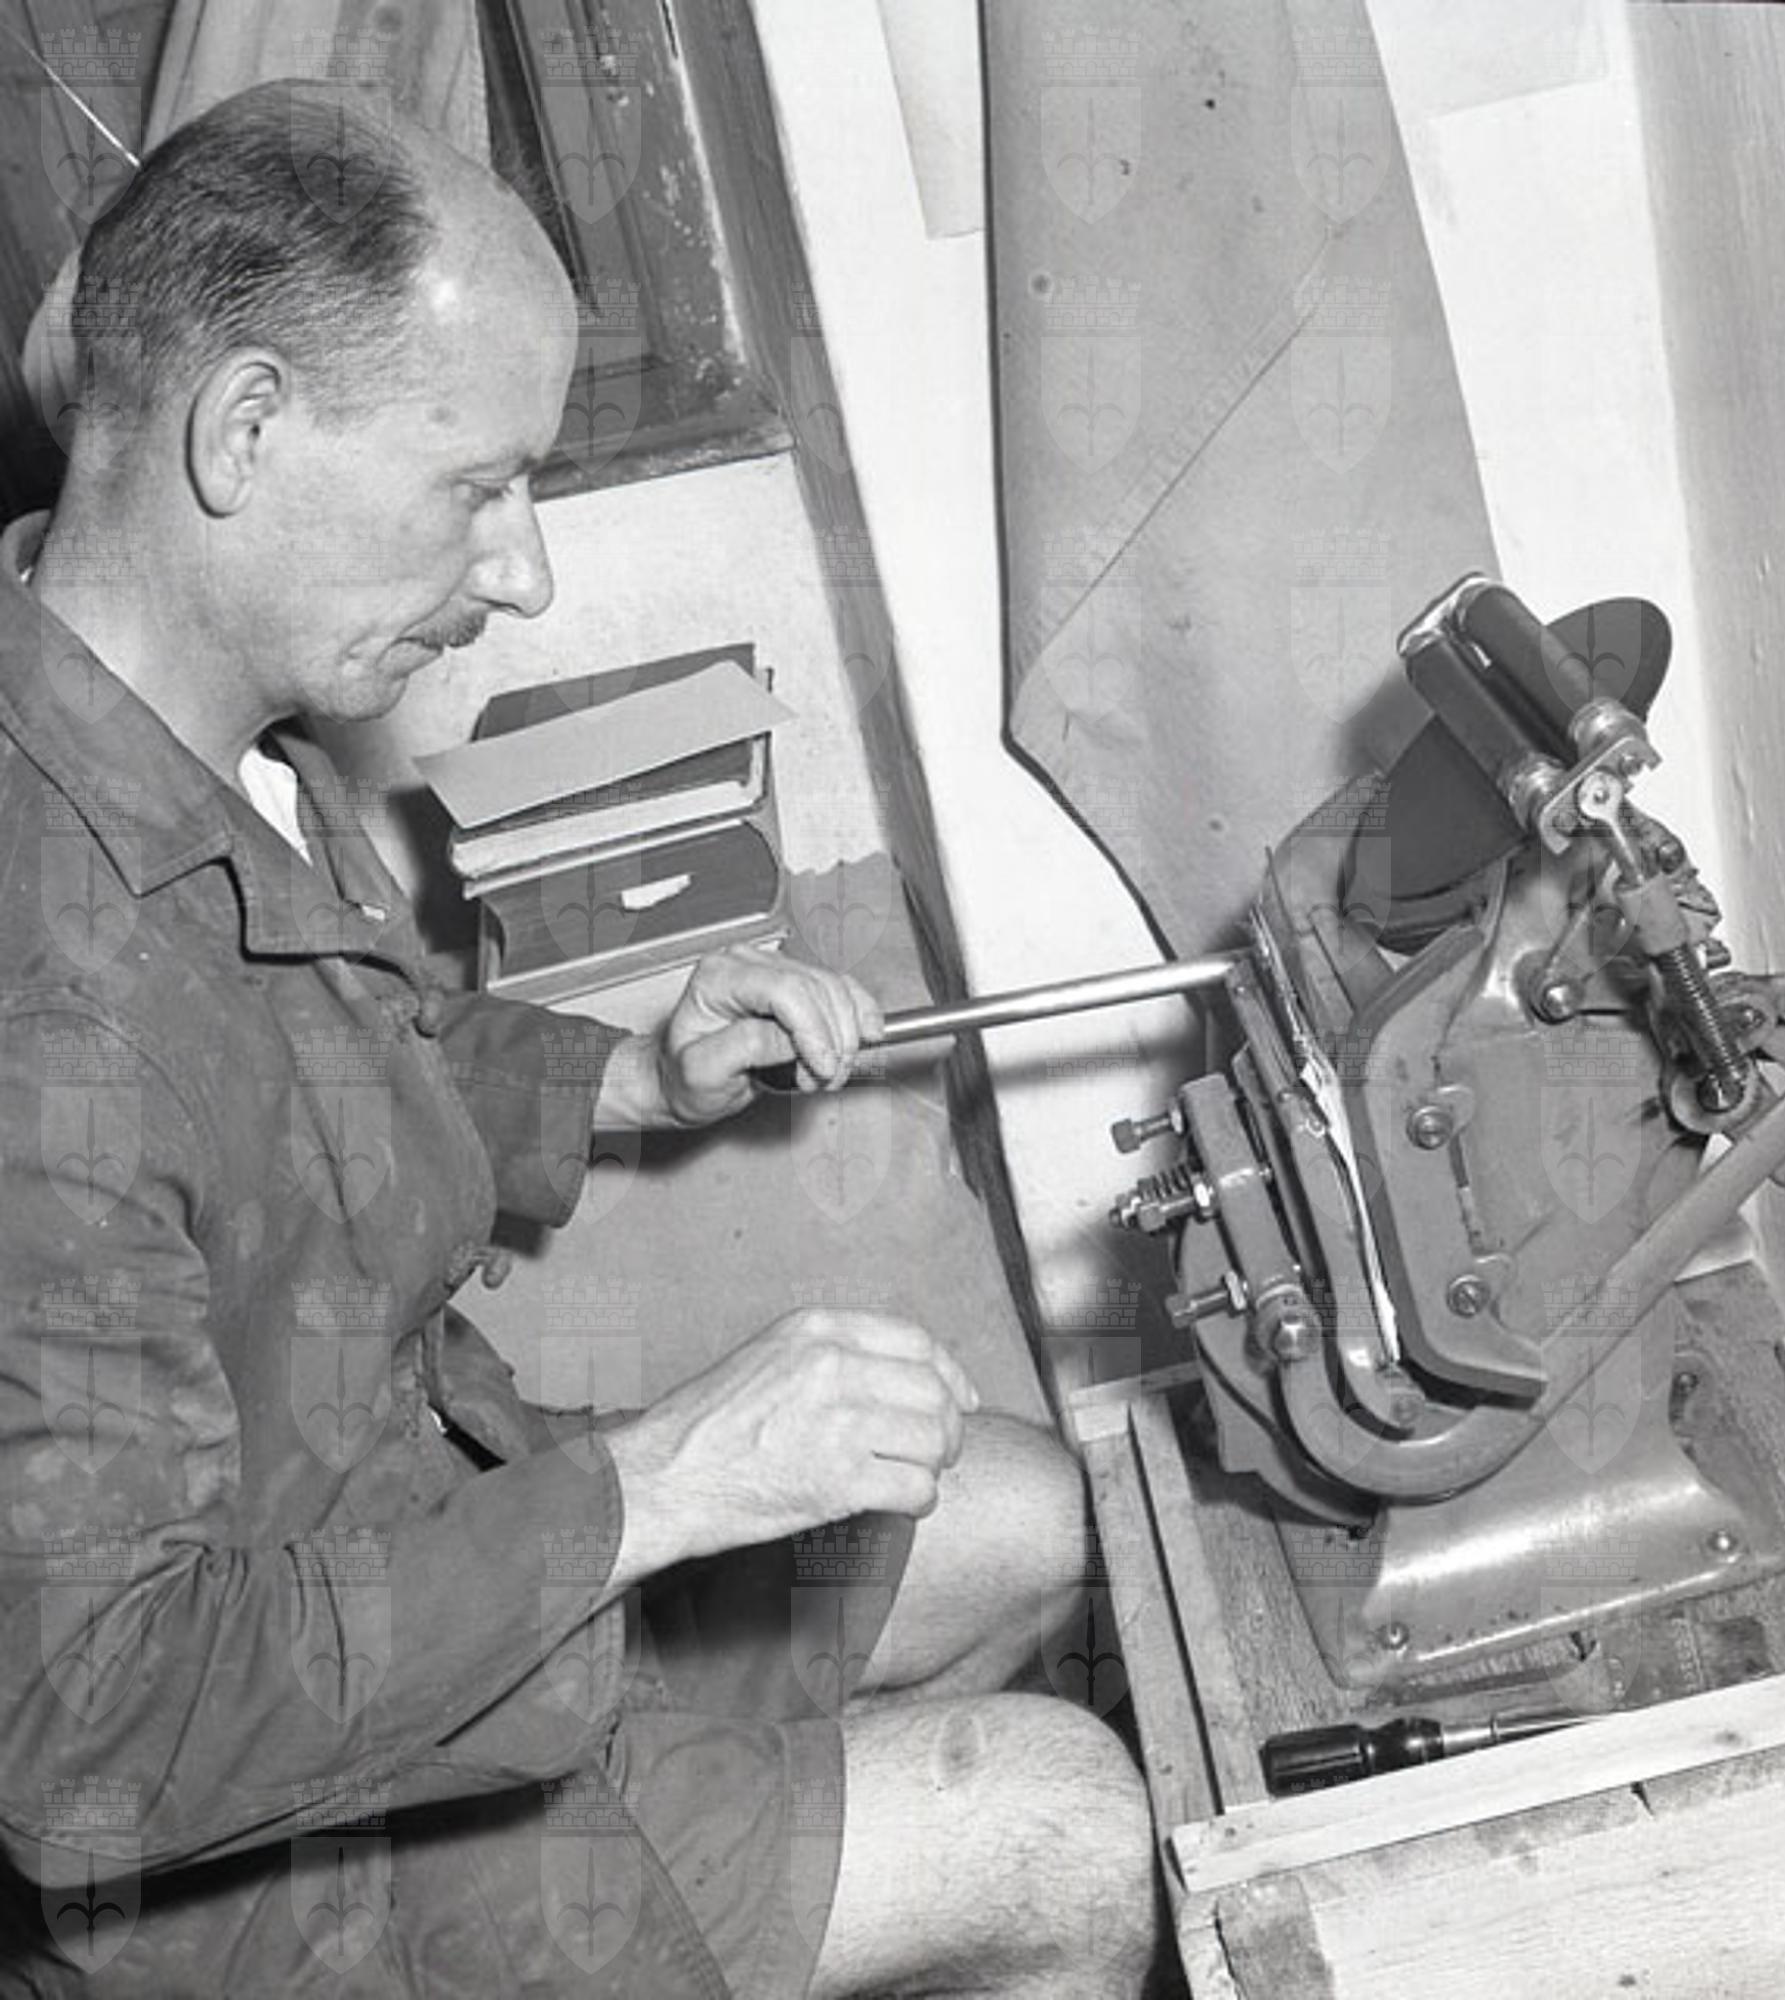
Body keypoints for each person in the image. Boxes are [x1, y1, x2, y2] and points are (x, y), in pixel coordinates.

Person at [0, 81, 1156, 1998]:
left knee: (1029, 1511)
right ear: (245, 428)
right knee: (1064, 1827)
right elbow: (87, 1736)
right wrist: (668, 1481)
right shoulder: (35, 1006)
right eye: (481, 486)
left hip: (438, 1539)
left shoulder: (203, 736)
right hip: (273, 1887)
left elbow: (290, 1081)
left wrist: (626, 1073)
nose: (524, 570)